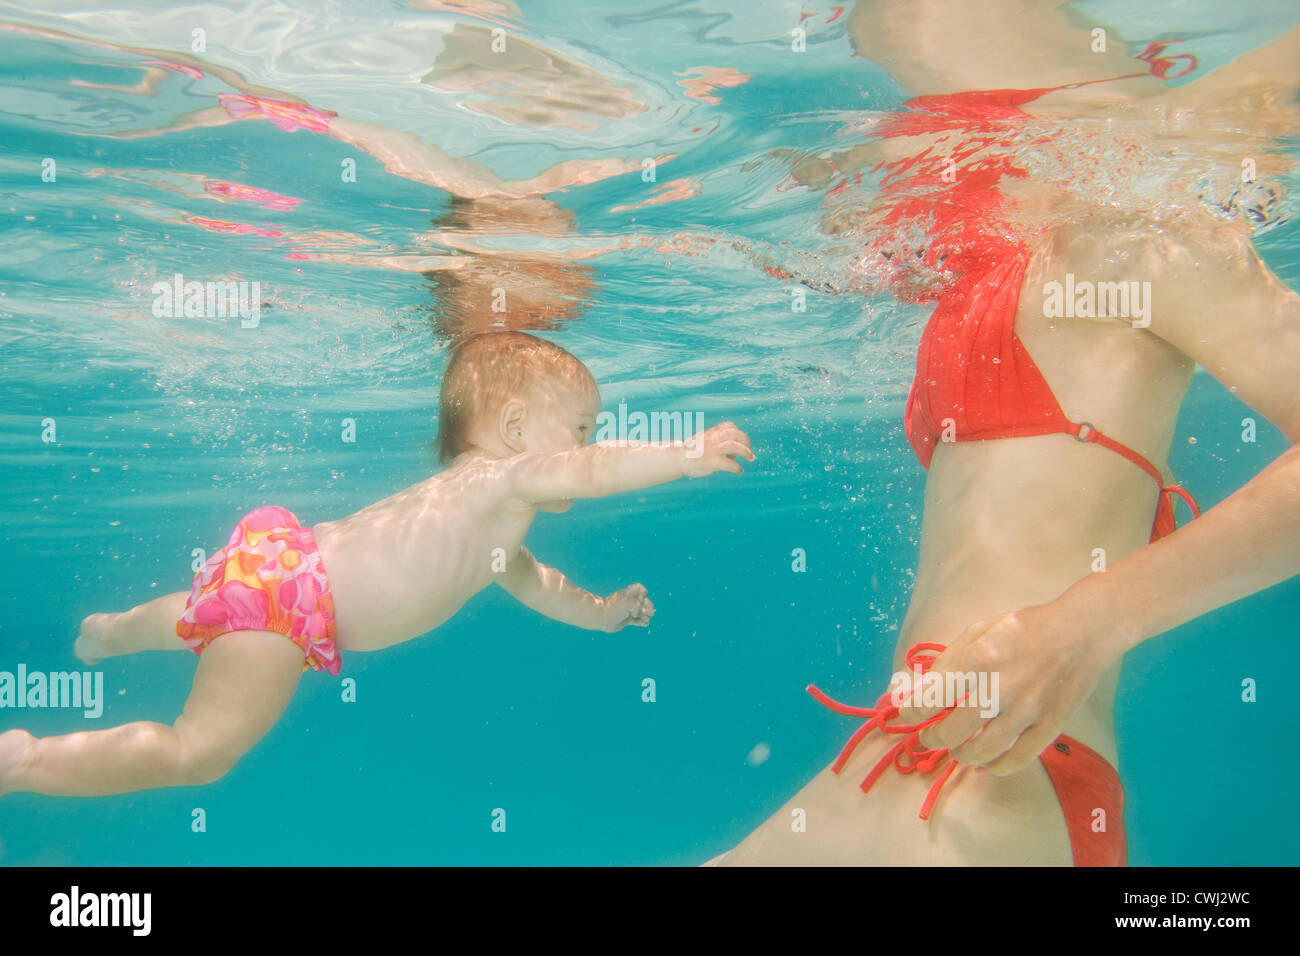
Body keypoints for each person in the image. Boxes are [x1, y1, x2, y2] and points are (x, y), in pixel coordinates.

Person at [712, 0, 1300, 865]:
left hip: (999, 782)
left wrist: (1086, 625)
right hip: (909, 763)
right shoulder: (1012, 248)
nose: (878, 39)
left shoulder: (1144, 234)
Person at [0, 332, 754, 797]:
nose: (590, 441)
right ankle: (23, 763)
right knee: (200, 753)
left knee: (202, 618)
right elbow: (589, 473)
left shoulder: (489, 529)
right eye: (583, 427)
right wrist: (684, 454)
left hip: (275, 568)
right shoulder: (502, 478)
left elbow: (542, 587)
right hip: (292, 608)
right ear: (518, 429)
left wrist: (603, 612)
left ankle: (106, 634)